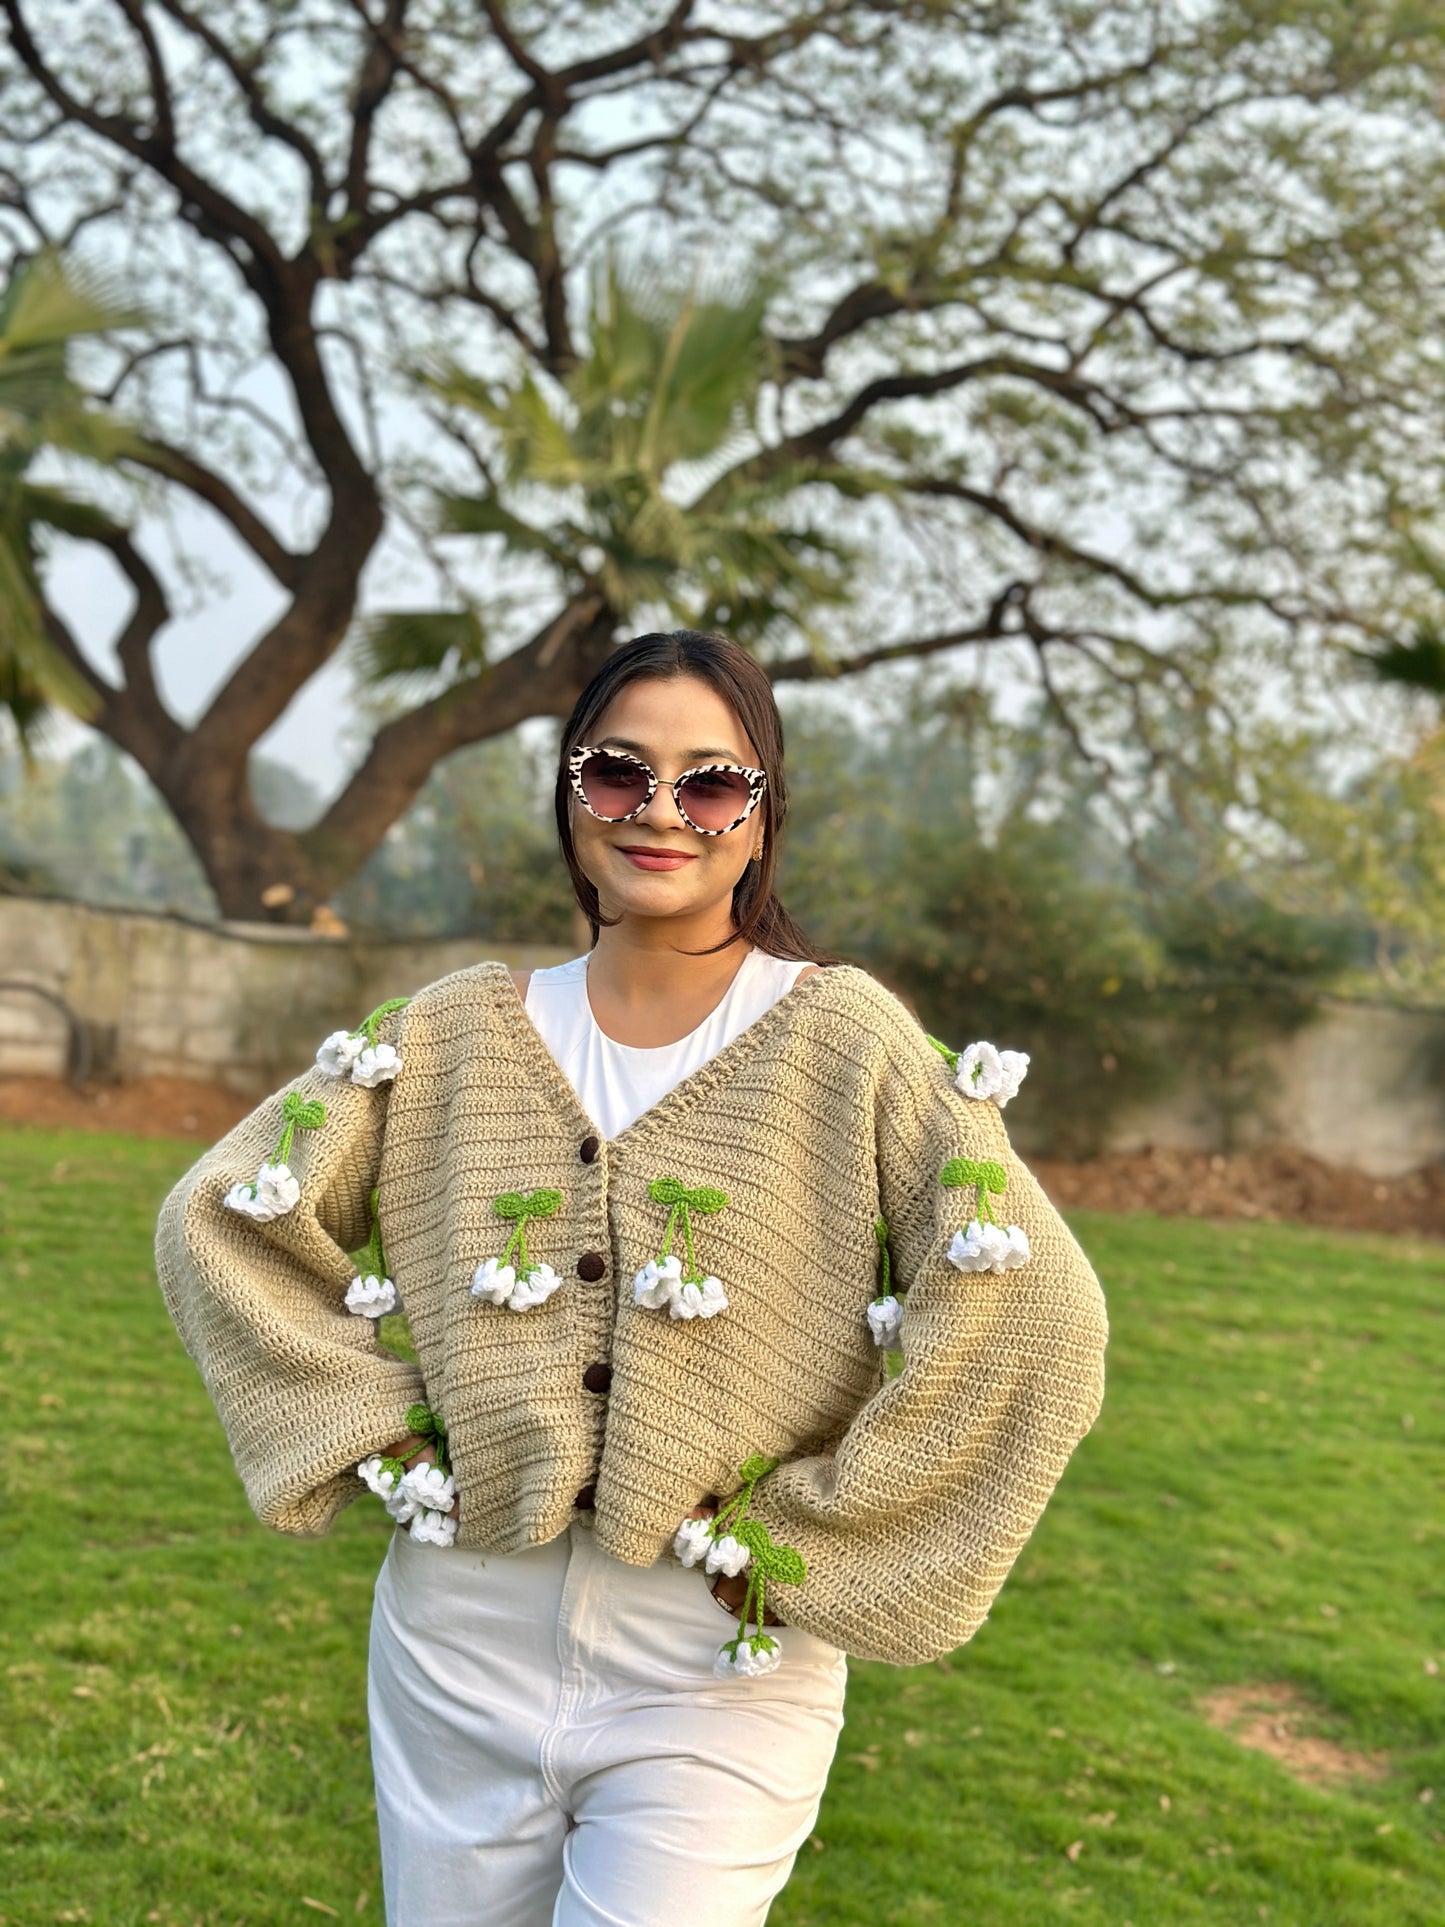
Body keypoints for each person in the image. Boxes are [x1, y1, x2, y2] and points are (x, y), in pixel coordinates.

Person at [155, 629, 1108, 1927]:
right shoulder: (446, 1033)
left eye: (710, 783)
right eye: (617, 773)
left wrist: (814, 1536)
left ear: (762, 814)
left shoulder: (848, 1044)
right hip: (455, 1639)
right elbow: (220, 1216)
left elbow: (1035, 1319)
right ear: (568, 789)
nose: (659, 812)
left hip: (715, 1670)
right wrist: (361, 1430)